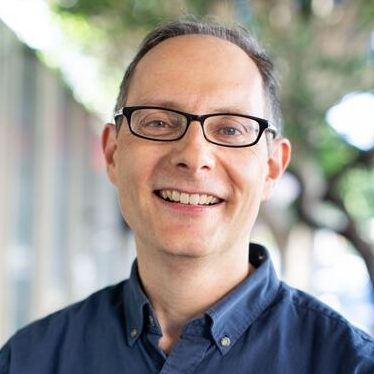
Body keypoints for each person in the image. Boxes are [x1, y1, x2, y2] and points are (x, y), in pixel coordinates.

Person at [1, 19, 373, 374]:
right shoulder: (26, 361)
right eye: (160, 122)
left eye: (230, 129)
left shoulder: (351, 364)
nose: (194, 157)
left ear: (272, 168)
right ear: (113, 153)